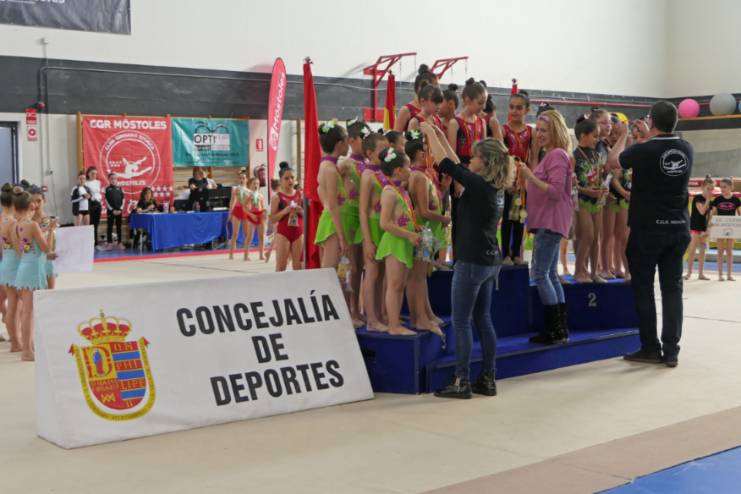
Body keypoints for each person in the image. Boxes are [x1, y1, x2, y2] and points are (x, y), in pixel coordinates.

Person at [419, 123, 513, 399]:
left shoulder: (480, 186)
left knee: (461, 321)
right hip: (489, 260)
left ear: (485, 162)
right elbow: (457, 164)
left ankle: (461, 380)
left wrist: (428, 132)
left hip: (471, 260)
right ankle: (488, 377)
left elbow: (448, 165)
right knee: (483, 318)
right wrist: (439, 135)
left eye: (474, 157)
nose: (470, 160)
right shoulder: (494, 187)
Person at [620, 101, 692, 368]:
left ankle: (650, 347)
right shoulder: (687, 148)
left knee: (644, 288)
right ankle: (671, 350)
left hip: (648, 229)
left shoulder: (644, 149)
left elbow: (616, 162)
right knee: (672, 289)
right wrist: (647, 138)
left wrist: (627, 136)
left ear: (651, 122)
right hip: (678, 226)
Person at [520, 110, 576, 345]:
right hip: (549, 220)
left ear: (555, 131)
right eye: (538, 130)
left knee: (540, 274)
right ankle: (560, 329)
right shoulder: (551, 155)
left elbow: (555, 191)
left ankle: (554, 329)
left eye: (544, 131)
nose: (540, 135)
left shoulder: (557, 156)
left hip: (550, 222)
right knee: (550, 274)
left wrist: (530, 176)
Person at [405, 131, 447, 336]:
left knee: (421, 276)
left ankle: (425, 313)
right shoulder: (419, 177)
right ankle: (419, 317)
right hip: (423, 231)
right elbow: (423, 211)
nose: (430, 155)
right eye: (427, 151)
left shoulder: (424, 175)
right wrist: (444, 219)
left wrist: (444, 187)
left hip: (427, 231)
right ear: (420, 154)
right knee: (418, 277)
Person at [375, 147, 419, 336]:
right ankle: (393, 325)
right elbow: (384, 223)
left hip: (403, 241)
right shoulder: (389, 192)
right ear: (398, 170)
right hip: (395, 242)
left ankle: (395, 321)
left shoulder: (401, 190)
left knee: (400, 284)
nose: (411, 169)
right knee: (394, 284)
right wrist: (408, 235)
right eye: (408, 166)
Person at [12, 188, 55, 361]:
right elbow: (47, 249)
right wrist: (51, 231)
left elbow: (20, 250)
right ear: (31, 206)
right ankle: (27, 350)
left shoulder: (17, 225)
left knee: (27, 312)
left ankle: (29, 345)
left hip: (24, 266)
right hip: (33, 270)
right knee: (28, 312)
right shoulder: (33, 225)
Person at [357, 132, 390, 332]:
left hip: (383, 227)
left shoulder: (384, 172)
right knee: (372, 273)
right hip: (372, 226)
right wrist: (368, 241)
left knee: (382, 273)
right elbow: (362, 210)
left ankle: (379, 314)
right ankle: (371, 319)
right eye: (382, 150)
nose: (387, 154)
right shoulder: (368, 176)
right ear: (369, 153)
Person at [501, 90, 535, 265]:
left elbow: (533, 158)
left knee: (520, 217)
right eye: (512, 107)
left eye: (519, 108)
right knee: (507, 217)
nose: (514, 111)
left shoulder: (531, 131)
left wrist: (529, 179)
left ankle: (517, 254)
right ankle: (505, 254)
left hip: (523, 178)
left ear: (527, 110)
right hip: (508, 178)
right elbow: (501, 158)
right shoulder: (504, 130)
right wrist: (507, 180)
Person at [341, 120, 370, 327]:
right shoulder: (345, 164)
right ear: (351, 140)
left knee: (360, 267)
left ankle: (357, 309)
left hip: (364, 219)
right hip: (349, 218)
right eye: (363, 139)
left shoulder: (369, 164)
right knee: (349, 266)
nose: (366, 143)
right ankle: (347, 310)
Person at [573, 117, 608, 283]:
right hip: (582, 200)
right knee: (587, 235)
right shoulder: (574, 156)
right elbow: (572, 184)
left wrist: (604, 188)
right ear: (583, 136)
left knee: (596, 238)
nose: (597, 139)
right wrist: (585, 190)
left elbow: (600, 177)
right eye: (594, 136)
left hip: (597, 200)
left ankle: (594, 272)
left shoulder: (596, 155)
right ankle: (579, 270)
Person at [314, 121, 350, 271]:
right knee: (329, 270)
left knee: (335, 271)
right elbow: (333, 205)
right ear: (340, 143)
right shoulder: (329, 169)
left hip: (334, 221)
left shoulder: (329, 166)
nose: (348, 145)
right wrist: (341, 237)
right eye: (347, 141)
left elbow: (320, 191)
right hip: (332, 223)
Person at [270, 163, 304, 272]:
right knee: (281, 267)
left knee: (298, 267)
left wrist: (301, 211)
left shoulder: (301, 195)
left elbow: (308, 216)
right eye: (286, 178)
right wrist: (284, 211)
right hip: (283, 233)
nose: (290, 180)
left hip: (299, 233)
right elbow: (272, 219)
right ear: (280, 180)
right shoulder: (277, 197)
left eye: (292, 177)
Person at [0, 184, 20, 352]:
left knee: (12, 304)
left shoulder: (1, 218)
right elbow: (17, 246)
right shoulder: (12, 222)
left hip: (5, 260)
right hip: (13, 262)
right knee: (15, 305)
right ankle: (15, 341)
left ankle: (15, 341)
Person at [710, 177, 741, 281]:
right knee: (720, 251)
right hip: (719, 227)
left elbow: (740, 214)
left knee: (730, 252)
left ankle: (729, 274)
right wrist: (711, 224)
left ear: (731, 187)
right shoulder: (717, 199)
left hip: (731, 227)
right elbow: (713, 214)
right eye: (721, 187)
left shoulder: (736, 200)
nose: (722, 189)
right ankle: (720, 274)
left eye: (724, 187)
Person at [685, 175, 715, 280]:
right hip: (695, 228)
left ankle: (701, 274)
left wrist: (708, 229)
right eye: (708, 189)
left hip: (704, 229)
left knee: (702, 251)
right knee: (692, 250)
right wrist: (708, 200)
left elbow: (710, 216)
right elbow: (702, 212)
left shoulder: (710, 202)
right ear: (702, 187)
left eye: (712, 189)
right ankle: (689, 273)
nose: (710, 191)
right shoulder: (698, 198)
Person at [394, 64, 438, 132]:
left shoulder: (433, 110)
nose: (438, 90)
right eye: (435, 86)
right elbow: (395, 136)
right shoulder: (406, 110)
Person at [29, 186, 57, 290]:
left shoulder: (51, 221)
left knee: (50, 293)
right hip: (33, 261)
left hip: (48, 261)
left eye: (38, 201)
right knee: (34, 295)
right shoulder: (26, 222)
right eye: (32, 201)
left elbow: (54, 246)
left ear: (44, 201)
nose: (36, 204)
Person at [228, 170, 253, 261]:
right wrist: (230, 213)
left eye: (243, 178)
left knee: (246, 234)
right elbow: (232, 201)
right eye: (240, 178)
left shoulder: (249, 191)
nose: (242, 180)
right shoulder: (236, 189)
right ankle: (231, 254)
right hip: (237, 210)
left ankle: (246, 254)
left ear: (246, 180)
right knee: (235, 233)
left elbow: (250, 205)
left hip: (245, 211)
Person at [245, 177, 266, 261]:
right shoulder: (248, 195)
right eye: (254, 183)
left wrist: (264, 213)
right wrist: (251, 215)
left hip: (260, 215)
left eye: (257, 183)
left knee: (261, 236)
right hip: (252, 215)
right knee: (249, 237)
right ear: (250, 185)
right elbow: (244, 208)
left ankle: (261, 254)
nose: (256, 185)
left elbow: (262, 206)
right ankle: (246, 255)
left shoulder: (261, 195)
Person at [104, 172, 125, 251]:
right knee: (109, 227)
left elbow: (123, 199)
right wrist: (112, 210)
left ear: (117, 179)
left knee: (119, 227)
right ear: (109, 180)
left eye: (115, 178)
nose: (113, 180)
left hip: (119, 211)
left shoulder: (120, 188)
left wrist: (121, 209)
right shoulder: (107, 189)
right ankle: (109, 243)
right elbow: (106, 201)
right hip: (111, 212)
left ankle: (120, 243)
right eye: (112, 179)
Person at [85, 167, 102, 246]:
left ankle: (95, 241)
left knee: (96, 223)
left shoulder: (98, 182)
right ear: (88, 173)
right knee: (90, 223)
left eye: (95, 174)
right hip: (90, 204)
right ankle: (90, 241)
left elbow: (98, 193)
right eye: (92, 173)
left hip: (97, 204)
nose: (94, 175)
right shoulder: (86, 183)